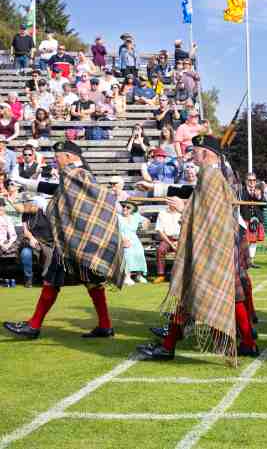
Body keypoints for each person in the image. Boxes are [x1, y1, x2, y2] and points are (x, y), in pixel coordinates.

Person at [135, 135, 259, 361]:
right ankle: (247, 342)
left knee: (187, 291)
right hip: (218, 244)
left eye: (195, 150)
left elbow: (207, 214)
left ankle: (168, 346)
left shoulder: (210, 176)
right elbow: (195, 197)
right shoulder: (212, 174)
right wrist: (158, 189)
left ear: (205, 153)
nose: (192, 155)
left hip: (210, 246)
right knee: (232, 294)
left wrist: (183, 209)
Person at [4, 140, 125, 340]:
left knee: (53, 280)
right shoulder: (77, 176)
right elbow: (59, 193)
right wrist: (28, 185)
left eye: (57, 156)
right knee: (90, 282)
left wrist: (42, 203)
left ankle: (33, 326)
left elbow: (62, 197)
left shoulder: (76, 174)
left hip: (73, 240)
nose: (55, 159)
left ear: (69, 157)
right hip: (79, 238)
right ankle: (105, 325)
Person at [152, 198, 183, 284]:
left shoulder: (182, 213)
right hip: (167, 239)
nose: (173, 204)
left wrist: (179, 241)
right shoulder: (162, 213)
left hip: (181, 239)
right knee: (160, 250)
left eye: (175, 203)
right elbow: (160, 231)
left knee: (185, 251)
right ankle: (161, 275)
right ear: (168, 203)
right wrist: (171, 243)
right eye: (171, 202)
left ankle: (182, 275)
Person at [117, 201, 149, 286]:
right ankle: (127, 277)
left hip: (134, 239)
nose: (125, 208)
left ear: (132, 209)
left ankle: (138, 275)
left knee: (140, 253)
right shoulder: (118, 217)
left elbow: (146, 220)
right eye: (123, 206)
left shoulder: (135, 216)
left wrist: (145, 223)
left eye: (128, 207)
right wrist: (123, 240)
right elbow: (115, 230)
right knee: (128, 254)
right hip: (123, 239)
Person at [240, 173, 266, 267]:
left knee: (253, 241)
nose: (252, 182)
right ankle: (243, 260)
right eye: (250, 180)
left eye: (254, 180)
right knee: (245, 241)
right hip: (245, 219)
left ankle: (251, 261)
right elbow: (241, 202)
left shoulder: (259, 191)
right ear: (246, 181)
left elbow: (265, 204)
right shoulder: (241, 191)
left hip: (256, 219)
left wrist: (258, 197)